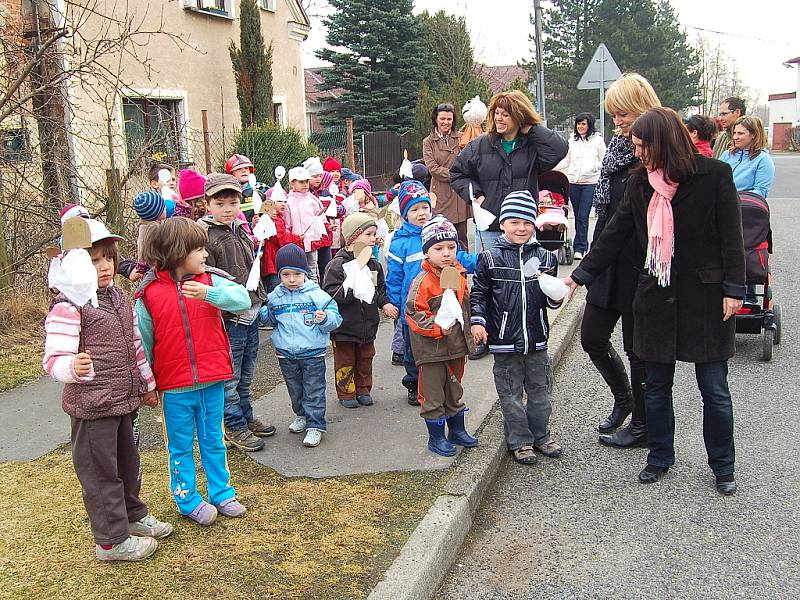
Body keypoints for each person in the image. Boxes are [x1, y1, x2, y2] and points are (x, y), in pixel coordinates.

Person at [565, 107, 746, 495]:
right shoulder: (639, 183)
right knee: (656, 384)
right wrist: (579, 277)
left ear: (662, 142)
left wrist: (734, 289)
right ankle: (660, 456)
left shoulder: (715, 175)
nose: (638, 154)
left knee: (713, 388)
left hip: (707, 297)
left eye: (642, 146)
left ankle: (723, 465)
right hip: (656, 295)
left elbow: (733, 237)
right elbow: (613, 235)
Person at [44, 218, 173, 561]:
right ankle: (111, 541)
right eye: (92, 259)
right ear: (73, 264)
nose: (103, 266)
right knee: (100, 474)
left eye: (107, 258)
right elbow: (53, 357)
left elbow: (135, 345)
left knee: (128, 465)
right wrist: (71, 368)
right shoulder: (69, 305)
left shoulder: (117, 296)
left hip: (122, 400)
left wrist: (146, 383)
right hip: (92, 404)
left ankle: (132, 515)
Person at [135, 217, 252, 523]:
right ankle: (187, 499)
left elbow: (242, 300)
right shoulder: (148, 294)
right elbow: (143, 342)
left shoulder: (210, 281)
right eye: (198, 249)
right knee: (181, 445)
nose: (205, 255)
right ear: (176, 252)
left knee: (214, 439)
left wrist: (210, 295)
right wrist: (147, 383)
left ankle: (222, 492)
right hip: (174, 387)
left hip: (212, 379)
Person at [584, 72, 661, 449]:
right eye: (613, 115)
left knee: (638, 349)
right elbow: (607, 209)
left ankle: (644, 425)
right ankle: (625, 398)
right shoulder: (617, 149)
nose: (617, 122)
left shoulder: (655, 153)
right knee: (592, 337)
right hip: (607, 256)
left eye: (623, 114)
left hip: (640, 262)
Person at [470, 191, 564, 465]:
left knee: (541, 392)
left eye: (526, 222)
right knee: (510, 394)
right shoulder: (489, 258)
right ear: (502, 224)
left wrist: (556, 297)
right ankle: (520, 441)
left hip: (536, 338)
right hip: (504, 339)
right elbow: (479, 295)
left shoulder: (547, 258)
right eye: (514, 222)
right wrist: (478, 321)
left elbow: (551, 297)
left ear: (534, 223)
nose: (521, 228)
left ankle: (541, 435)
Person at [199, 173, 274, 452]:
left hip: (250, 313)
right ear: (208, 204)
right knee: (229, 375)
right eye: (220, 203)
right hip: (228, 319)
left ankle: (245, 414)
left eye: (233, 202)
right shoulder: (203, 236)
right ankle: (233, 424)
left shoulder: (239, 229)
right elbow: (208, 278)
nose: (228, 209)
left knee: (247, 372)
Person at [386, 180, 476, 406]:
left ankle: (440, 383)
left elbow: (461, 258)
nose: (421, 213)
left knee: (440, 343)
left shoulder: (441, 233)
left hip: (442, 302)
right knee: (412, 351)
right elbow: (394, 277)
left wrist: (482, 261)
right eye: (414, 209)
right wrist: (394, 303)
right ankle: (413, 383)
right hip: (414, 306)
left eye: (424, 207)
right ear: (405, 213)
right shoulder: (400, 243)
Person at [450, 89, 568, 251]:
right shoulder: (479, 145)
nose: (498, 118)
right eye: (496, 113)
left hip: (523, 227)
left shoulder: (532, 147)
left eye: (505, 114)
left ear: (519, 116)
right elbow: (457, 173)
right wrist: (477, 196)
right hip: (490, 227)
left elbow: (559, 149)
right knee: (490, 274)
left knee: (522, 275)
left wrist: (531, 129)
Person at [406, 216, 478, 457]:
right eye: (438, 248)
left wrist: (472, 332)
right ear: (427, 253)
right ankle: (435, 437)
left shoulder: (458, 276)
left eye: (451, 247)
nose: (446, 253)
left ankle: (456, 430)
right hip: (432, 351)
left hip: (456, 347)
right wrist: (437, 328)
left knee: (454, 390)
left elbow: (465, 309)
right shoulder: (422, 282)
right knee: (434, 394)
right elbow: (414, 314)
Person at [259, 244, 342, 448]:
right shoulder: (274, 298)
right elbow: (266, 321)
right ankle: (301, 414)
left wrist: (324, 319)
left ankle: (315, 425)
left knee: (313, 389)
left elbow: (335, 319)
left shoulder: (317, 296)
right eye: (286, 274)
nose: (292, 279)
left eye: (297, 274)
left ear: (305, 273)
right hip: (286, 353)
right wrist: (265, 314)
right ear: (279, 275)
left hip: (312, 352)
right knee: (295, 390)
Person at [323, 212, 397, 408]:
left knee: (365, 359)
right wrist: (352, 285)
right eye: (369, 234)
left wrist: (385, 303)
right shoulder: (337, 265)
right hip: (344, 326)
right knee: (345, 361)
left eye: (374, 234)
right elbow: (331, 293)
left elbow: (379, 290)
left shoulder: (373, 265)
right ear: (353, 237)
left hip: (367, 325)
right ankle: (346, 392)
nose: (374, 239)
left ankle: (364, 389)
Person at [554, 112, 606, 259]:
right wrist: (552, 168)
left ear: (589, 125)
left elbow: (604, 160)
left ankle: (581, 247)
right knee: (576, 215)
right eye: (578, 124)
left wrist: (594, 168)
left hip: (589, 183)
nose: (580, 127)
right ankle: (578, 243)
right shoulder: (572, 141)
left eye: (583, 124)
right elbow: (566, 160)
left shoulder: (597, 141)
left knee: (583, 215)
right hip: (573, 182)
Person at [422, 103, 471, 249]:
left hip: (459, 194)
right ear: (435, 119)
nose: (446, 122)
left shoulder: (462, 139)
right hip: (441, 194)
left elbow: (470, 160)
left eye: (449, 119)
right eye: (442, 118)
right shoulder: (428, 142)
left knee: (461, 237)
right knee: (441, 236)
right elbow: (433, 168)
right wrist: (455, 175)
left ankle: (463, 269)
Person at [719, 115, 775, 198]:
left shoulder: (763, 159)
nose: (735, 137)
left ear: (753, 134)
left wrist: (732, 200)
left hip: (744, 207)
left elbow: (760, 192)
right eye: (734, 133)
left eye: (740, 133)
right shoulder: (727, 155)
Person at [286, 166, 324, 282]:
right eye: (301, 182)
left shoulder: (313, 200)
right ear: (292, 183)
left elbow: (320, 216)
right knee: (298, 270)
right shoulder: (288, 201)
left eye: (307, 181)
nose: (305, 184)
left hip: (311, 241)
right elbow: (287, 223)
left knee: (312, 270)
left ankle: (315, 294)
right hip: (296, 242)